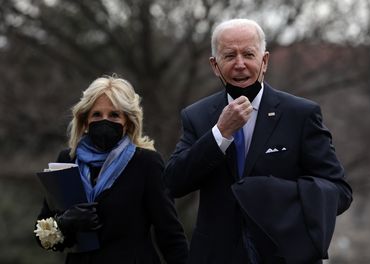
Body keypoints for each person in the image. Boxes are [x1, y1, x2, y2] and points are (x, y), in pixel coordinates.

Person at [164, 19, 353, 264]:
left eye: (249, 54)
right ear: (215, 65)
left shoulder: (300, 114)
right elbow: (173, 182)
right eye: (229, 55)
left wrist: (279, 198)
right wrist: (220, 133)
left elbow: (340, 192)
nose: (240, 64)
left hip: (283, 254)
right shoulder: (197, 116)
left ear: (264, 61)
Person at [34, 75, 188, 264]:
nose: (104, 121)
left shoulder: (146, 163)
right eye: (97, 115)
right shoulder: (67, 161)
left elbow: (170, 234)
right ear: (85, 121)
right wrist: (65, 223)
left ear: (128, 122)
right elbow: (42, 236)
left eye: (114, 115)